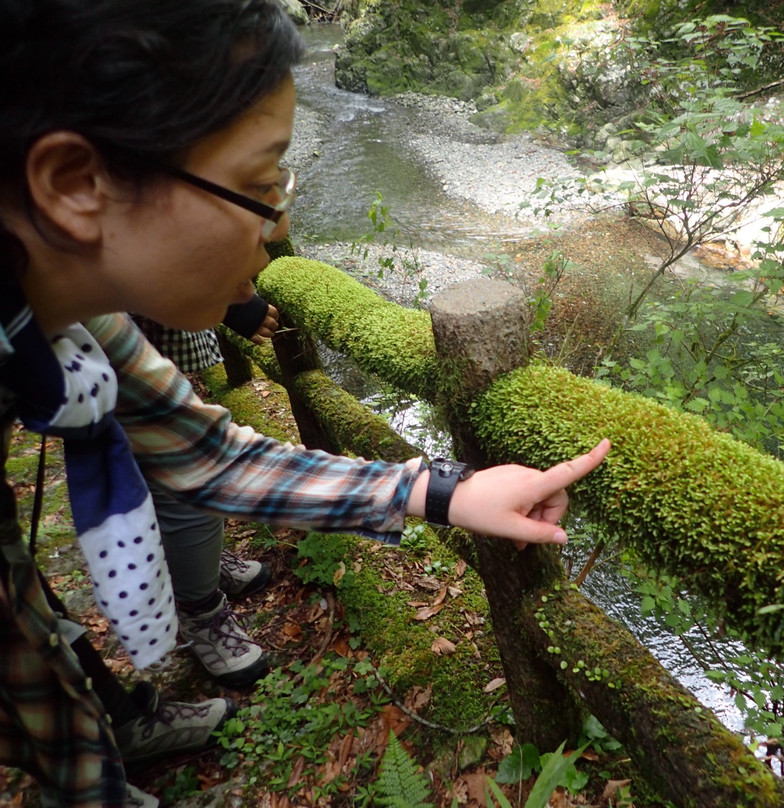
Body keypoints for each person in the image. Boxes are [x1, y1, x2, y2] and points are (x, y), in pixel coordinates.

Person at [0, 2, 611, 807]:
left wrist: (446, 489)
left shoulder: (78, 325)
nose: (280, 224)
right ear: (75, 183)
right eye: (260, 185)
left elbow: (211, 454)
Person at [133, 299, 281, 688]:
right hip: (138, 310)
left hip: (150, 316)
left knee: (166, 438)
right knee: (182, 451)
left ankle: (195, 565)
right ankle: (198, 610)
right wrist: (231, 302)